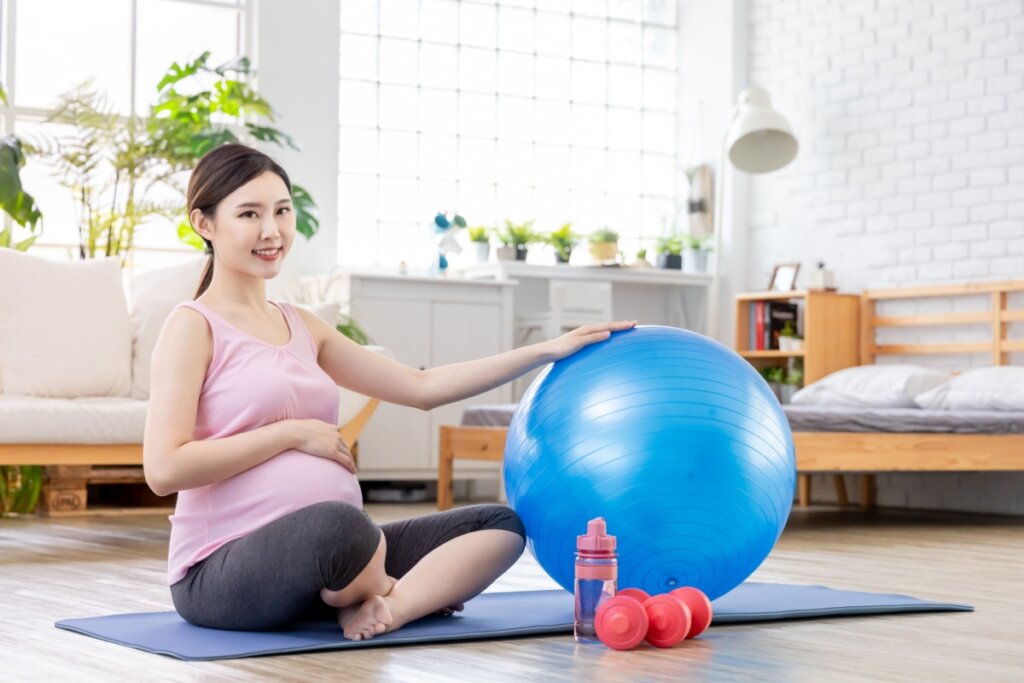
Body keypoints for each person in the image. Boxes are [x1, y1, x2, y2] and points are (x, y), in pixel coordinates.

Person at [143, 143, 636, 640]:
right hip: (224, 569)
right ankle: (376, 587)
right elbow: (164, 469)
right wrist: (292, 434)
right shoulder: (192, 327)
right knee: (342, 530)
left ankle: (383, 608)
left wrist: (546, 351)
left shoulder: (303, 325)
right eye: (249, 214)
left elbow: (421, 387)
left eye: (282, 211)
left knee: (500, 526)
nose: (271, 230)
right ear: (204, 223)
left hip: (341, 553)